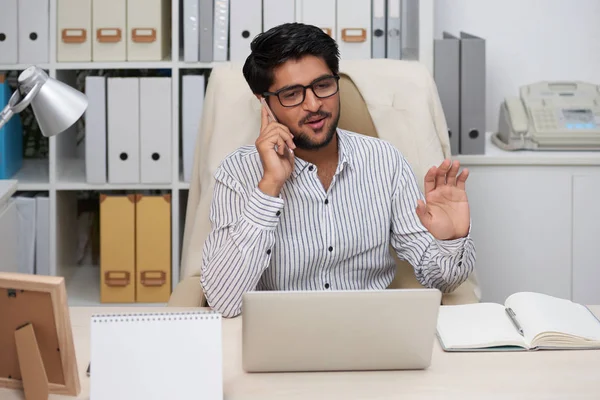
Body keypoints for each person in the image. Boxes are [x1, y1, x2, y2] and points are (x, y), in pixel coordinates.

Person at [200, 22, 476, 318]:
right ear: (264, 103)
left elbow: (442, 280)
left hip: (371, 333)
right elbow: (224, 304)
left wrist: (449, 241)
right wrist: (269, 187)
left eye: (323, 85)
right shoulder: (237, 173)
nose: (314, 104)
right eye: (292, 94)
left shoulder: (384, 160)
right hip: (282, 337)